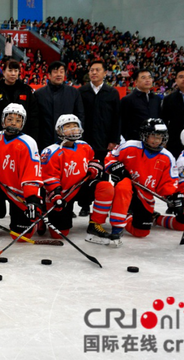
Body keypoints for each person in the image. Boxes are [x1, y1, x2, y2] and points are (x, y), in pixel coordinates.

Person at [103, 118, 184, 242]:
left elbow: (169, 182)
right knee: (123, 185)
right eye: (153, 136)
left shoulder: (167, 157)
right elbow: (110, 157)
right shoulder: (130, 146)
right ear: (144, 135)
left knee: (141, 232)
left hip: (145, 195)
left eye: (160, 137)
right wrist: (115, 168)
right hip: (127, 189)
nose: (157, 140)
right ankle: (117, 227)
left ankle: (144, 217)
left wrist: (173, 196)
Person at [39, 115, 115, 244]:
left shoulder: (84, 146)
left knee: (105, 187)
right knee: (58, 235)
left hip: (81, 186)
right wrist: (56, 196)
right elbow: (48, 177)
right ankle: (43, 213)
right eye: (67, 127)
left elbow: (94, 161)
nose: (72, 130)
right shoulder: (50, 151)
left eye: (75, 126)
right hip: (61, 193)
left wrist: (93, 167)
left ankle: (95, 224)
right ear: (59, 131)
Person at [0, 104, 43, 240]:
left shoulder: (28, 143)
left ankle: (38, 219)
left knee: (20, 237)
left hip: (18, 192)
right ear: (3, 120)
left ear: (23, 123)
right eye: (10, 119)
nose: (13, 123)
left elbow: (31, 173)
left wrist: (32, 199)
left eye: (18, 121)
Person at [0, 58, 40, 218]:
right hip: (0, 142)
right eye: (10, 70)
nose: (13, 74)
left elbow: (34, 117)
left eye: (16, 71)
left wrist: (32, 140)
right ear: (3, 71)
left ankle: (23, 204)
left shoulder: (27, 90)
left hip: (21, 142)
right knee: (0, 174)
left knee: (19, 174)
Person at [76, 60, 120, 217]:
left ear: (104, 73)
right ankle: (85, 204)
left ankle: (101, 205)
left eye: (97, 70)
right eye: (91, 70)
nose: (94, 73)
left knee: (102, 174)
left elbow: (116, 118)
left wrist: (114, 139)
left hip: (103, 141)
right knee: (84, 174)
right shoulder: (82, 91)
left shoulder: (112, 93)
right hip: (84, 141)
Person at [34, 61, 85, 150]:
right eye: (55, 72)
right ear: (49, 75)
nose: (59, 74)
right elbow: (35, 119)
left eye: (61, 72)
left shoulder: (73, 93)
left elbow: (80, 116)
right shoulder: (39, 94)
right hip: (44, 142)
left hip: (68, 141)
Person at [120, 69, 161, 142]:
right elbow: (122, 122)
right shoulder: (127, 100)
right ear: (136, 82)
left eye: (149, 77)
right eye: (143, 78)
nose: (147, 80)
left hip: (154, 141)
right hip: (134, 141)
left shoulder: (157, 99)